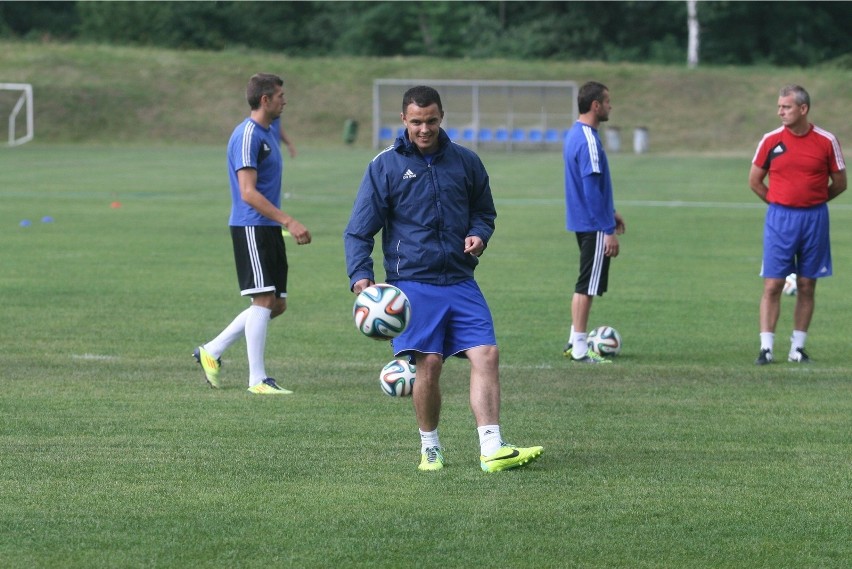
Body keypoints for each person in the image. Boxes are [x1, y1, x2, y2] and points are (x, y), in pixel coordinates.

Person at [344, 85, 543, 473]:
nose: (424, 129)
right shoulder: (384, 167)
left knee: (487, 353)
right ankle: (430, 447)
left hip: (459, 279)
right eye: (416, 122)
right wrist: (361, 278)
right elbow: (358, 231)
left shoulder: (465, 162)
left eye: (431, 121)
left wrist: (479, 235)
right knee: (430, 364)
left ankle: (492, 448)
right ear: (403, 120)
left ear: (441, 117)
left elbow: (484, 211)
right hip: (411, 283)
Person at [193, 73, 312, 393]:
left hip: (268, 227)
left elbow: (276, 125)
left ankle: (212, 350)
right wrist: (289, 221)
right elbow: (247, 192)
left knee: (276, 304)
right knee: (263, 299)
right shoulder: (246, 136)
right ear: (265, 100)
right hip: (251, 225)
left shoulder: (269, 127)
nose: (284, 100)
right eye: (280, 96)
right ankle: (257, 380)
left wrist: (287, 141)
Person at [749, 84, 846, 365]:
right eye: (779, 106)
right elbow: (754, 180)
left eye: (786, 107)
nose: (780, 112)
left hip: (815, 218)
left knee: (806, 284)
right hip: (780, 218)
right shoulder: (770, 140)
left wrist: (811, 202)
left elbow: (840, 183)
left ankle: (797, 349)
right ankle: (766, 348)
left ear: (803, 109)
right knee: (773, 284)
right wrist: (779, 203)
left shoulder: (826, 140)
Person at [562, 81, 626, 364]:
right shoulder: (587, 139)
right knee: (586, 285)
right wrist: (607, 229)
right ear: (596, 105)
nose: (611, 106)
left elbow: (595, 189)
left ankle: (573, 340)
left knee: (585, 282)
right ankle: (578, 348)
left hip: (587, 220)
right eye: (608, 101)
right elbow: (590, 190)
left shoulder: (575, 134)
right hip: (592, 224)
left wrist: (610, 212)